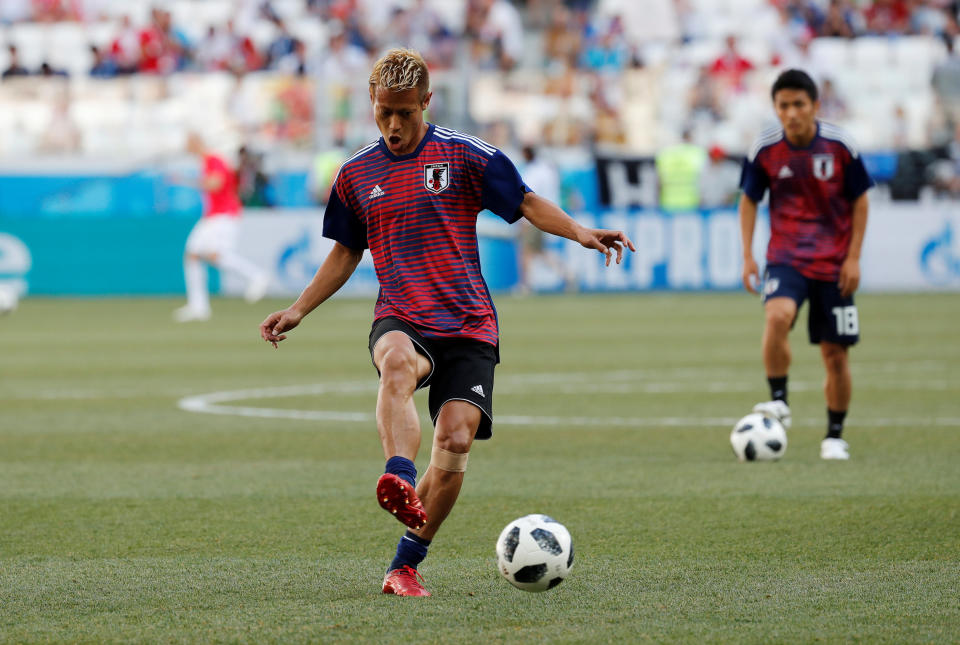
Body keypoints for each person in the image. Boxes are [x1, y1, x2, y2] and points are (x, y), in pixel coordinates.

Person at [259, 48, 634, 597]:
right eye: (383, 112)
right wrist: (297, 309)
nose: (392, 125)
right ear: (372, 103)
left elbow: (525, 202)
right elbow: (345, 252)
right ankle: (399, 475)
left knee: (455, 440)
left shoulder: (466, 156)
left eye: (404, 113)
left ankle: (404, 566)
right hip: (402, 313)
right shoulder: (355, 175)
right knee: (394, 365)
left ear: (426, 103)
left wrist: (580, 232)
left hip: (468, 321)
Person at [739, 69, 873, 461]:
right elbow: (748, 200)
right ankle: (779, 400)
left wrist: (854, 257)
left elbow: (861, 200)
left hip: (834, 263)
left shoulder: (840, 145)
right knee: (777, 316)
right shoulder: (764, 148)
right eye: (784, 105)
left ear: (815, 105)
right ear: (775, 108)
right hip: (786, 257)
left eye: (799, 104)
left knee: (835, 355)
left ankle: (835, 436)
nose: (792, 113)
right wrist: (748, 254)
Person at [174, 133, 269, 322]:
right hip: (214, 216)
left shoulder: (213, 159)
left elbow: (215, 184)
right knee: (194, 254)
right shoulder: (208, 160)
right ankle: (198, 306)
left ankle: (257, 276)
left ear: (196, 142)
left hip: (224, 215)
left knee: (216, 255)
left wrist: (185, 181)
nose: (185, 147)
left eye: (188, 143)